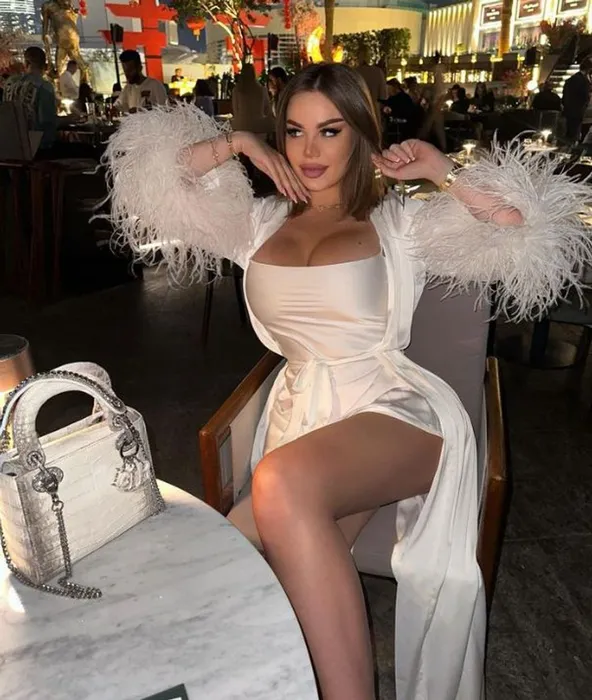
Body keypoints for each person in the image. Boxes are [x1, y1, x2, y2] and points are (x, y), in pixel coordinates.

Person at [104, 63, 591, 700]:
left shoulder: (400, 222)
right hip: (305, 421)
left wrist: (441, 171)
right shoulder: (257, 222)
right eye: (295, 131)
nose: (309, 150)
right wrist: (239, 142)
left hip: (397, 409)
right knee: (212, 566)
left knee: (281, 484)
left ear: (361, 134)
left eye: (330, 131)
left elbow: (528, 229)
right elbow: (146, 183)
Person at [3, 46, 58, 151]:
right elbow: (47, 122)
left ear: (26, 63)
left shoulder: (9, 83)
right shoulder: (44, 87)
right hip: (36, 147)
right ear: (45, 66)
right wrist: (68, 119)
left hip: (9, 145)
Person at [231, 62, 273, 136]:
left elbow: (235, 111)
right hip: (259, 127)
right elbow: (268, 110)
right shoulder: (261, 89)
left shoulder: (237, 90)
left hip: (241, 127)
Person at [562, 57, 592, 142]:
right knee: (574, 134)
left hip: (569, 110)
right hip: (578, 111)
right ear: (588, 69)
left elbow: (565, 96)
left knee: (569, 134)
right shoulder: (583, 81)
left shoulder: (571, 79)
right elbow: (585, 96)